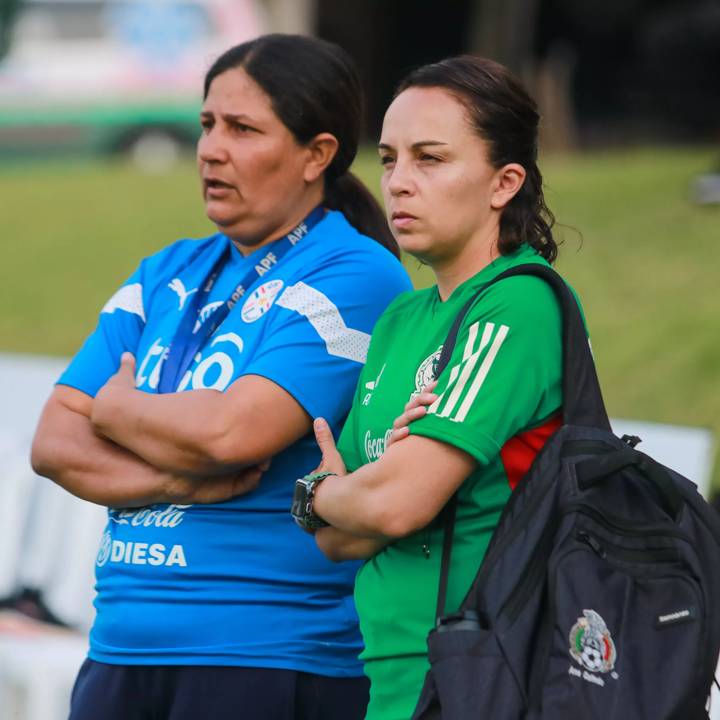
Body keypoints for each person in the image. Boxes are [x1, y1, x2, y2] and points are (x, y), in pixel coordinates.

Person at [31, 34, 411, 720]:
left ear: (316, 154)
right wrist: (173, 480)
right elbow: (55, 445)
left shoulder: (354, 271)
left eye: (242, 128)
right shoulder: (165, 270)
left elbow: (235, 433)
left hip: (263, 653)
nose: (210, 148)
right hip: (121, 644)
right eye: (207, 124)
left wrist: (117, 413)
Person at [297, 55, 572, 720]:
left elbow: (392, 508)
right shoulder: (402, 319)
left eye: (430, 159)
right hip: (393, 676)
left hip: (480, 677)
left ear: (504, 182)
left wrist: (323, 492)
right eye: (389, 159)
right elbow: (338, 541)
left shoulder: (517, 305)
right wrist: (347, 499)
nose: (399, 184)